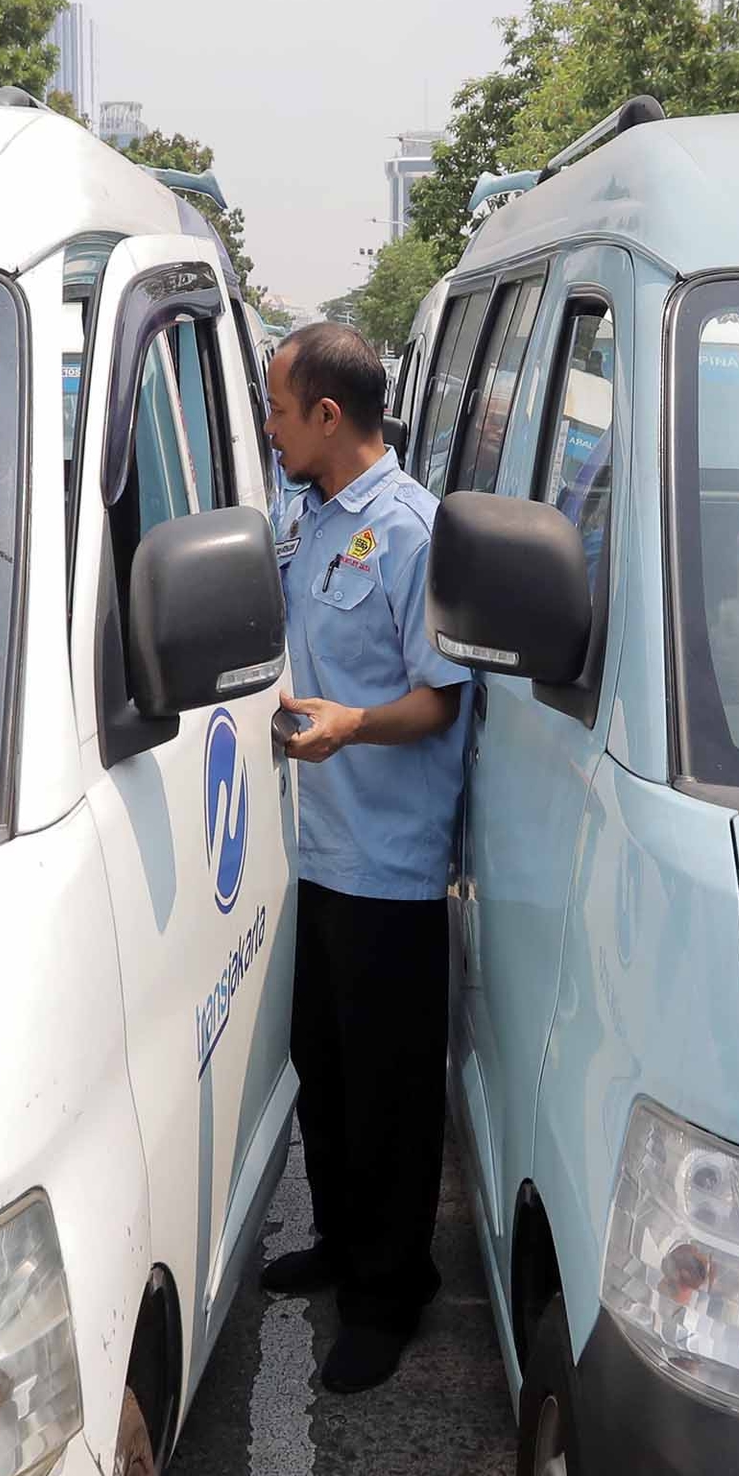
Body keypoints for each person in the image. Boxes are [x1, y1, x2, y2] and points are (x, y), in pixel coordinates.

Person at [258, 320, 475, 1395]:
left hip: (388, 862)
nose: (271, 428)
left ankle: (392, 1294)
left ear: (329, 416)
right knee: (328, 1075)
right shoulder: (305, 517)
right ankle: (345, 1249)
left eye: (280, 410)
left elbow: (440, 701)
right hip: (315, 852)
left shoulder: (409, 531)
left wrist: (351, 725)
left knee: (391, 1094)